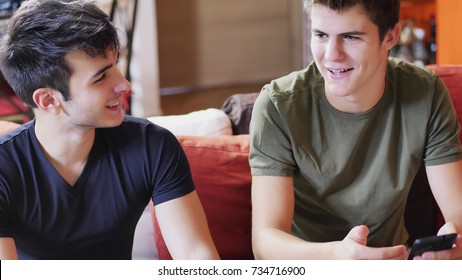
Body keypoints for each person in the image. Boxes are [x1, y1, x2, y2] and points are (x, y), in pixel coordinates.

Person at [0, 0, 219, 260]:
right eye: (101, 77)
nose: (124, 85)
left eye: (116, 66)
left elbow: (196, 255)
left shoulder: (152, 146)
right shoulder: (5, 168)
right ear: (48, 100)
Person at [249, 0, 462, 260]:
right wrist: (337, 256)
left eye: (350, 37)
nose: (331, 54)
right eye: (320, 35)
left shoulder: (426, 93)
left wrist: (455, 239)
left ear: (390, 36)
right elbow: (264, 243)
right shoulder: (277, 106)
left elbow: (457, 210)